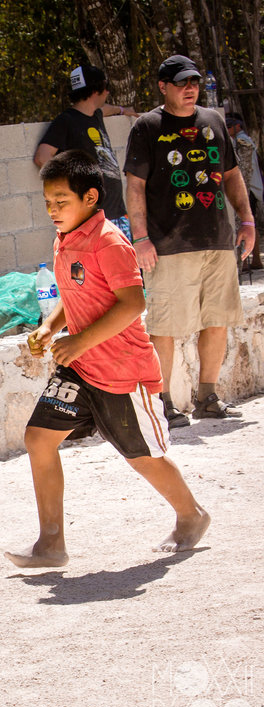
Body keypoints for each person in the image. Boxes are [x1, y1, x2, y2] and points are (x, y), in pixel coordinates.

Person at [5, 150, 210, 568]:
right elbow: (74, 292)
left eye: (61, 202)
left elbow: (133, 303)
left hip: (122, 373)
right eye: (47, 202)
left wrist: (79, 342)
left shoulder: (109, 242)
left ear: (91, 198)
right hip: (80, 369)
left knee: (141, 456)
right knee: (39, 438)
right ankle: (51, 544)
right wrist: (51, 328)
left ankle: (191, 515)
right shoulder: (65, 238)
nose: (52, 211)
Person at [124, 54, 256, 429]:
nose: (190, 88)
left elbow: (231, 174)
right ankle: (162, 402)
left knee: (217, 320)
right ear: (163, 86)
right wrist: (141, 238)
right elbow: (134, 186)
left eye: (194, 81)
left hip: (216, 240)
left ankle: (207, 397)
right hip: (167, 244)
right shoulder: (147, 126)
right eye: (181, 82)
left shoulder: (213, 120)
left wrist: (246, 219)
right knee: (165, 326)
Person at [34, 64, 138, 238]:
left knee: (128, 264)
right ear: (95, 91)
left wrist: (122, 110)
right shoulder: (66, 121)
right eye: (106, 88)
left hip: (117, 214)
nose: (108, 93)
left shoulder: (95, 115)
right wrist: (73, 184)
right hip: (92, 221)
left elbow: (105, 109)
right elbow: (41, 157)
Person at [226, 112, 263, 269]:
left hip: (250, 187)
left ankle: (252, 260)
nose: (227, 130)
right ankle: (250, 260)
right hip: (249, 186)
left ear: (237, 126)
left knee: (248, 223)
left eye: (229, 126)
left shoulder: (243, 141)